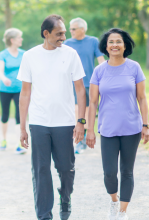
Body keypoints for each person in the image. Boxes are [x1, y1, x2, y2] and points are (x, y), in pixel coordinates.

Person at [18, 15, 86, 220]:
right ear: (46, 34)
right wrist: (23, 127)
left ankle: (65, 197)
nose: (63, 37)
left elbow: (80, 91)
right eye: (59, 34)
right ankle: (44, 215)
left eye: (65, 33)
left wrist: (80, 122)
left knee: (66, 168)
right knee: (41, 171)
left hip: (64, 123)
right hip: (39, 122)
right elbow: (25, 93)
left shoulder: (71, 54)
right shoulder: (30, 56)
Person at [86, 28, 149, 220]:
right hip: (108, 129)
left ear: (125, 45)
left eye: (118, 41)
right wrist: (90, 129)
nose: (115, 45)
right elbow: (93, 102)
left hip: (132, 128)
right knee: (109, 172)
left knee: (127, 171)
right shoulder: (99, 70)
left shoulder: (134, 67)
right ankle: (114, 201)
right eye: (111, 41)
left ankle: (122, 212)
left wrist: (146, 125)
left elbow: (142, 98)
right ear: (106, 46)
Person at [64, 17, 105, 154]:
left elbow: (100, 60)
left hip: (90, 82)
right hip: (72, 83)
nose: (71, 31)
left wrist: (105, 75)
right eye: (70, 29)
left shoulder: (93, 41)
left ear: (83, 29)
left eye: (73, 29)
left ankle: (86, 135)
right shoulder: (67, 43)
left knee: (88, 109)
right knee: (77, 109)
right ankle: (80, 140)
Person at [0, 28, 27, 154]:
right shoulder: (3, 54)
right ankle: (3, 139)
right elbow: (0, 70)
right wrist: (4, 79)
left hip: (20, 90)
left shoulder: (24, 54)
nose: (21, 39)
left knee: (19, 116)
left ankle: (19, 143)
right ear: (12, 40)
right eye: (19, 37)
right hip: (5, 89)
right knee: (5, 115)